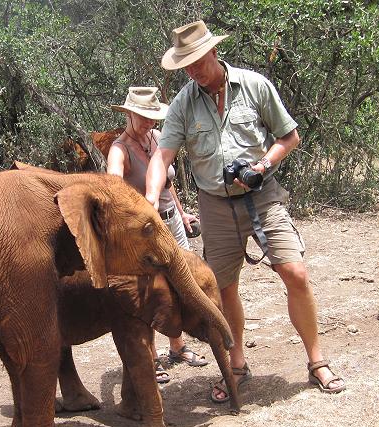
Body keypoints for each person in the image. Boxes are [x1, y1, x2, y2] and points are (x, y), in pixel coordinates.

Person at [144, 21, 345, 401]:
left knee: (295, 272)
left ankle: (317, 361)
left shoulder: (254, 85)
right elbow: (162, 155)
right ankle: (236, 364)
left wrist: (263, 166)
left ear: (213, 52)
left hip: (263, 196)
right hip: (215, 207)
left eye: (196, 62)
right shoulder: (184, 104)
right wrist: (151, 199)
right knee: (222, 288)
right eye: (185, 66)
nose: (193, 72)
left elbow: (290, 136)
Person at [108, 86, 208, 384]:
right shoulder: (119, 150)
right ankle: (150, 357)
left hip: (173, 222)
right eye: (143, 117)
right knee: (150, 291)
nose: (149, 122)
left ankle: (178, 347)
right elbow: (113, 191)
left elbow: (166, 182)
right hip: (147, 232)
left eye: (153, 117)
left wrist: (182, 211)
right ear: (128, 113)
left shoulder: (155, 138)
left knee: (181, 284)